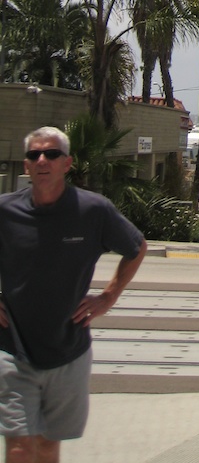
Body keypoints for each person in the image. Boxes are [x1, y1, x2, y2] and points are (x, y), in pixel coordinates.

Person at [0, 126, 147, 463]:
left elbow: (136, 247)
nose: (42, 160)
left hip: (69, 350)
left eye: (51, 154)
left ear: (66, 164)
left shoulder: (93, 210)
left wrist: (108, 296)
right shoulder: (5, 211)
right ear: (25, 165)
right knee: (20, 446)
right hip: (12, 348)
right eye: (34, 154)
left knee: (49, 446)